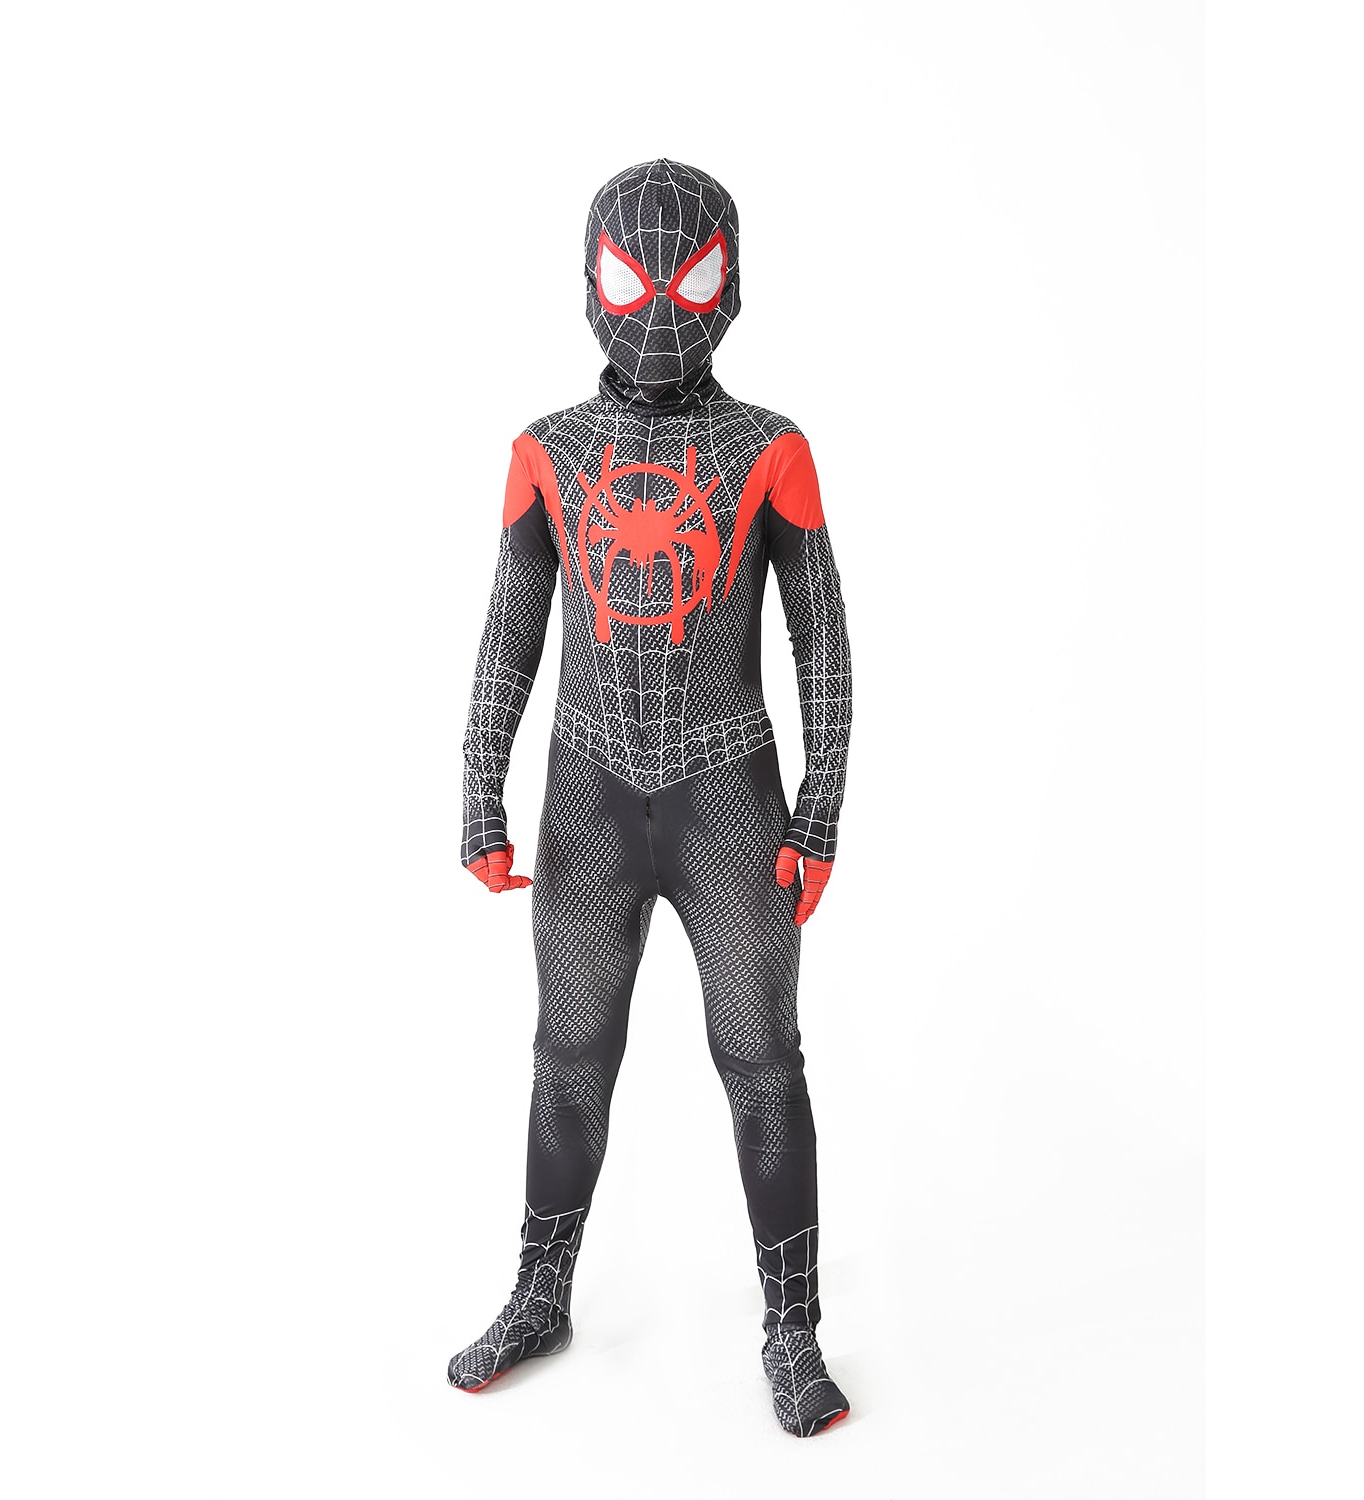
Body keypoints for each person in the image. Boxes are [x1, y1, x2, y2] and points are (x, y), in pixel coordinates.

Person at [448, 159, 854, 1437]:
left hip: (731, 795)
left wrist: (821, 811)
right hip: (587, 798)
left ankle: (792, 1329)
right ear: (589, 286)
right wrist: (478, 789)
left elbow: (823, 641)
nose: (664, 309)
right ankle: (539, 1293)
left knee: (762, 1059)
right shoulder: (545, 452)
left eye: (693, 277)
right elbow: (510, 633)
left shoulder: (772, 450)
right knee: (568, 1054)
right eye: (635, 280)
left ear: (732, 288)